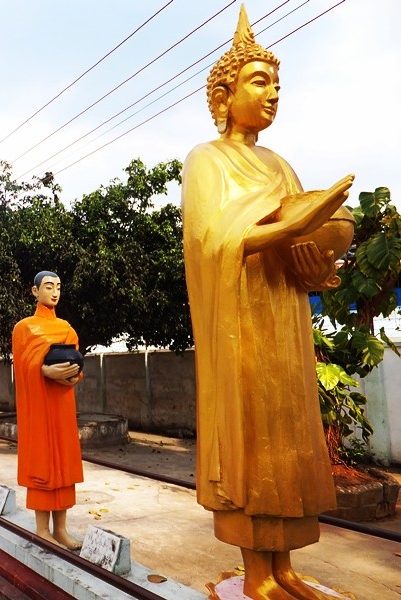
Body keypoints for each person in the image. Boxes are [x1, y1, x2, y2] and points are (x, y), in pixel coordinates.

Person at [181, 7, 351, 600]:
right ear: (225, 94)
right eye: (260, 81)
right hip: (240, 322)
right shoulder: (206, 159)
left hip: (282, 318)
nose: (273, 94)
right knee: (253, 441)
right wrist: (285, 227)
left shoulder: (280, 166)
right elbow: (210, 241)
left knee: (288, 442)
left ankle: (284, 568)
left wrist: (315, 262)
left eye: (277, 84)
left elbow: (297, 242)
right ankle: (256, 575)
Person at [12, 271, 83, 549]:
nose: (54, 292)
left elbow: (78, 362)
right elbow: (21, 366)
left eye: (58, 287)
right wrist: (42, 369)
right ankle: (42, 528)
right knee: (43, 461)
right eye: (48, 286)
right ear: (34, 291)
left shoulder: (67, 327)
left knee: (63, 463)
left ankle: (61, 528)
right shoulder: (24, 328)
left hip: (62, 402)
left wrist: (71, 375)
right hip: (38, 405)